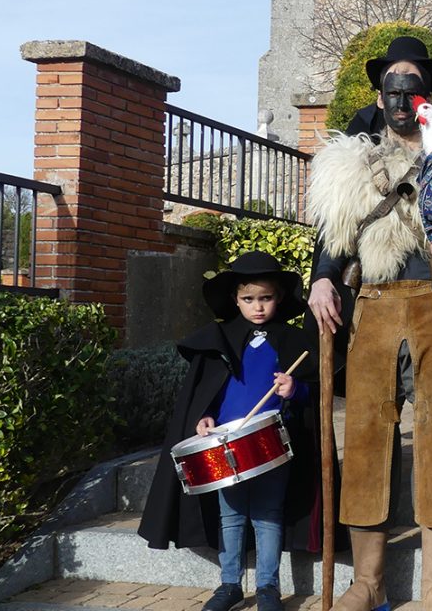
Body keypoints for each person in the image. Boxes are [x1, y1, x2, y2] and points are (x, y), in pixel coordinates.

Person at [307, 36, 432, 611]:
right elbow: (333, 240)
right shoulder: (350, 164)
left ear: (427, 96)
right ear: (380, 99)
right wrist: (322, 278)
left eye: (414, 89)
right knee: (366, 444)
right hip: (374, 308)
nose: (404, 99)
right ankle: (369, 582)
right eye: (394, 90)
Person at [138, 251, 319, 611]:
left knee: (268, 515)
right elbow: (206, 390)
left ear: (279, 297)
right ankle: (230, 584)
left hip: (271, 444)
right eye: (248, 299)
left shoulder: (292, 340)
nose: (257, 307)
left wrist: (295, 389)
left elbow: (315, 392)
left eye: (265, 298)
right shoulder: (218, 338)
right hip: (224, 444)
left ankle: (268, 587)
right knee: (231, 516)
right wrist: (204, 416)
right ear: (235, 299)